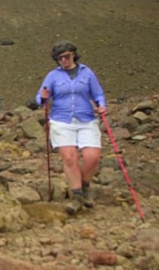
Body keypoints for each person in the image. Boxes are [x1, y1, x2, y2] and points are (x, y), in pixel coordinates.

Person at [36, 40, 107, 215]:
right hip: (61, 120)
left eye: (66, 56)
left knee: (93, 157)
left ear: (73, 54)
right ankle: (77, 197)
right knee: (69, 158)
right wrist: (43, 97)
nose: (64, 60)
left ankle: (84, 187)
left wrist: (101, 104)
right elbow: (40, 98)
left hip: (86, 118)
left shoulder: (87, 72)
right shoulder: (53, 76)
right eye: (60, 58)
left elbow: (97, 94)